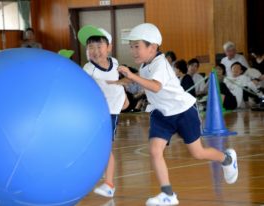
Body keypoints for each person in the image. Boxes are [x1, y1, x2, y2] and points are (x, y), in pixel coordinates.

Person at [113, 23, 238, 206]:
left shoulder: (160, 64)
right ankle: (168, 194)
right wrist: (119, 83)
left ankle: (227, 159)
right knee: (155, 150)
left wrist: (131, 77)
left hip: (183, 112)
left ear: (153, 47)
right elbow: (142, 85)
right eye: (131, 47)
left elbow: (155, 86)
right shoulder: (145, 66)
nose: (133, 51)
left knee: (198, 152)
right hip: (161, 114)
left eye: (137, 46)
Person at [77, 25, 129, 198]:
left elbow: (117, 81)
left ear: (109, 47)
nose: (95, 51)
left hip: (112, 112)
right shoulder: (88, 69)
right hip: (96, 112)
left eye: (99, 46)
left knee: (106, 147)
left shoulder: (114, 63)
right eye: (90, 47)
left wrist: (124, 96)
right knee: (95, 145)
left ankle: (109, 183)